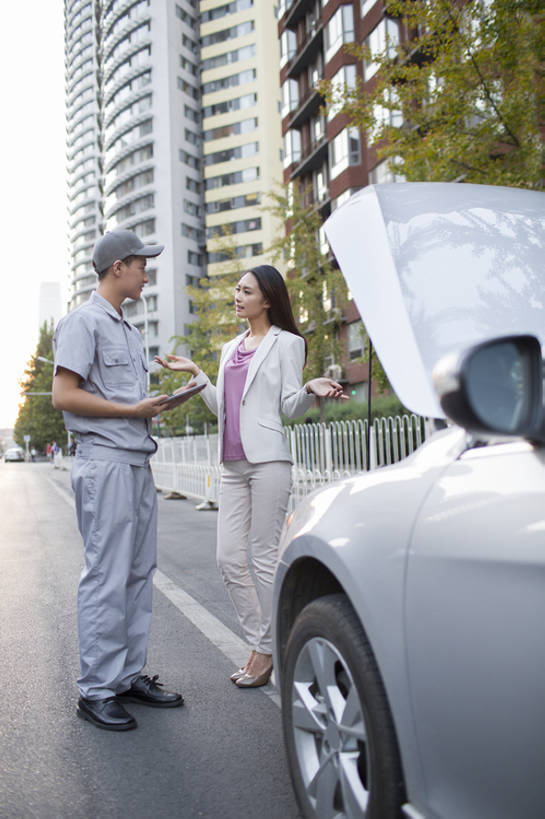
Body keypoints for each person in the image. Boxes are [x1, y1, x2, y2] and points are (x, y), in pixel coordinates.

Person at [156, 265, 347, 688]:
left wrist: (311, 387)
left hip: (268, 463)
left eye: (246, 291)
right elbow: (222, 408)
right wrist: (198, 376)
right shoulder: (229, 348)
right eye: (237, 290)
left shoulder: (288, 343)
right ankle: (265, 643)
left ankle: (266, 652)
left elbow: (290, 407)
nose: (238, 297)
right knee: (227, 559)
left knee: (262, 559)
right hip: (232, 465)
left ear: (268, 299)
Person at [52, 229, 184, 732]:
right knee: (106, 574)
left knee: (137, 572)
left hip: (135, 460)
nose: (146, 272)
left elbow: (121, 403)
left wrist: (151, 408)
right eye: (141, 264)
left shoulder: (128, 330)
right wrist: (131, 409)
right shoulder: (82, 322)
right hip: (104, 462)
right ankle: (95, 689)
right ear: (116, 269)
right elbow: (64, 395)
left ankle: (126, 676)